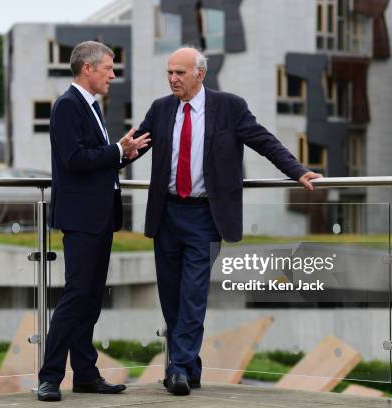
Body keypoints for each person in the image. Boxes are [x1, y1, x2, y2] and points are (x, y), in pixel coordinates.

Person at [135, 47, 321, 395]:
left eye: (180, 73)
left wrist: (297, 171)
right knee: (171, 297)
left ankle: (176, 367)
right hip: (167, 215)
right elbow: (136, 146)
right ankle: (189, 366)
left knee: (192, 293)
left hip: (206, 216)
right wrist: (111, 157)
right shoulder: (160, 109)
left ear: (199, 74)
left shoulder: (229, 107)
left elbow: (264, 142)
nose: (173, 79)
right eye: (169, 73)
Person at [37, 41, 149, 402]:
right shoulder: (68, 106)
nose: (113, 76)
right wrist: (117, 149)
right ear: (88, 69)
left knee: (90, 299)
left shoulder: (92, 107)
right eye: (108, 69)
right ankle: (49, 377)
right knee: (76, 297)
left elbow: (97, 163)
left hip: (99, 217)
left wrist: (125, 152)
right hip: (82, 218)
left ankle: (85, 375)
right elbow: (75, 160)